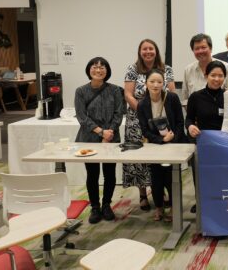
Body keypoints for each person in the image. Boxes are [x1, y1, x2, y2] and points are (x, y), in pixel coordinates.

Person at [124, 39, 175, 211]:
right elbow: (128, 94)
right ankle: (143, 195)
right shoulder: (133, 69)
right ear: (140, 51)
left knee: (161, 157)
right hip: (137, 119)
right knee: (140, 158)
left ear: (156, 51)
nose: (148, 52)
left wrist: (155, 114)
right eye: (144, 49)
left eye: (151, 48)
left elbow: (171, 92)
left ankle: (161, 192)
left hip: (161, 120)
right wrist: (143, 111)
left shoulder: (166, 69)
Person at [74, 57, 123, 224]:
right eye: (95, 67)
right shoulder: (81, 91)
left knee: (109, 173)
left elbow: (118, 114)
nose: (98, 70)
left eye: (102, 67)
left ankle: (107, 205)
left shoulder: (115, 90)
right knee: (92, 173)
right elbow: (81, 117)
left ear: (107, 71)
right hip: (89, 139)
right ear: (89, 70)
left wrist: (109, 134)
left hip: (111, 137)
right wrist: (101, 132)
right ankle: (95, 207)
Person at [137, 69, 186, 222]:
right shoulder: (142, 104)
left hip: (174, 144)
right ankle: (159, 206)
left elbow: (180, 122)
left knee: (171, 177)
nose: (156, 85)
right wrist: (161, 140)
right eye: (152, 81)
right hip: (155, 146)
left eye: (159, 82)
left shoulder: (171, 98)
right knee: (156, 178)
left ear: (163, 83)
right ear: (146, 83)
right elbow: (145, 130)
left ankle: (173, 206)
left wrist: (173, 139)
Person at [186, 60, 228, 214]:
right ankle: (201, 201)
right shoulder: (196, 97)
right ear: (206, 76)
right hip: (203, 144)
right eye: (213, 75)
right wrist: (190, 127)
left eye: (220, 76)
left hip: (225, 146)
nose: (217, 79)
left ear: (224, 77)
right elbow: (189, 118)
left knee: (222, 176)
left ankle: (221, 202)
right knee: (201, 176)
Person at [181, 33, 228, 101]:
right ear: (193, 51)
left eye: (203, 47)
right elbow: (185, 98)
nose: (200, 51)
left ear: (211, 49)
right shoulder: (188, 70)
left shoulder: (226, 67)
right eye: (197, 48)